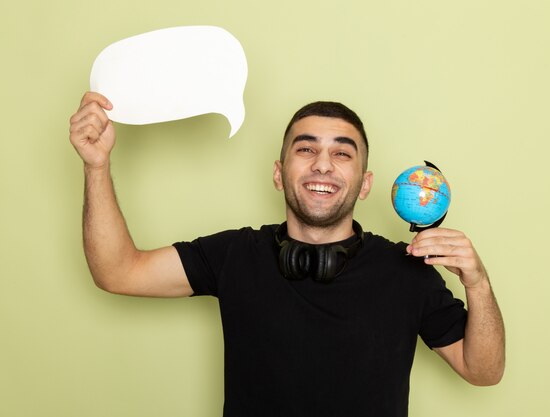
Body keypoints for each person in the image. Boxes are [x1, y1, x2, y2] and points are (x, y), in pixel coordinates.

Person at [69, 92, 505, 417]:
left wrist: (478, 283)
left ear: (365, 184)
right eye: (306, 148)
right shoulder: (234, 255)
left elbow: (482, 370)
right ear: (280, 174)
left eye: (341, 153)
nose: (322, 164)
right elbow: (118, 272)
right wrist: (96, 165)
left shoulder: (406, 271)